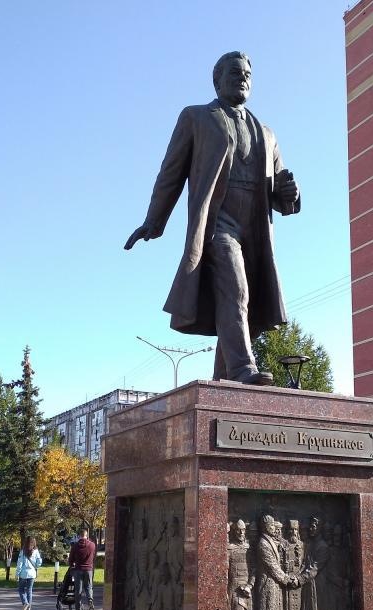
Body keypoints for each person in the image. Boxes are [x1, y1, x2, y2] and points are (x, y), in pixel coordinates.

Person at [124, 51, 301, 385]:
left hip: (256, 229)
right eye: (235, 72)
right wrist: (154, 220)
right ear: (217, 80)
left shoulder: (267, 133)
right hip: (218, 222)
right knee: (236, 289)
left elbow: (280, 190)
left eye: (247, 74)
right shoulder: (196, 118)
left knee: (247, 301)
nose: (243, 78)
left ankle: (223, 379)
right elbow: (170, 173)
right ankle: (242, 367)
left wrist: (290, 193)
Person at [68, 528, 97, 610]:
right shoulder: (92, 545)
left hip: (78, 569)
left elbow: (71, 559)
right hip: (89, 569)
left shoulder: (75, 546)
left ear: (79, 536)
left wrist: (71, 565)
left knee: (78, 589)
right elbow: (94, 556)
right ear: (86, 535)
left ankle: (78, 609)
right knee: (89, 587)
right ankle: (90, 600)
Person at [16, 537, 43, 610]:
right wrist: (36, 566)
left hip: (23, 574)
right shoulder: (36, 551)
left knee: (21, 589)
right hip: (32, 574)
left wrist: (17, 573)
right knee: (29, 590)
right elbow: (39, 562)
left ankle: (25, 603)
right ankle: (28, 609)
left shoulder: (23, 551)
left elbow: (20, 563)